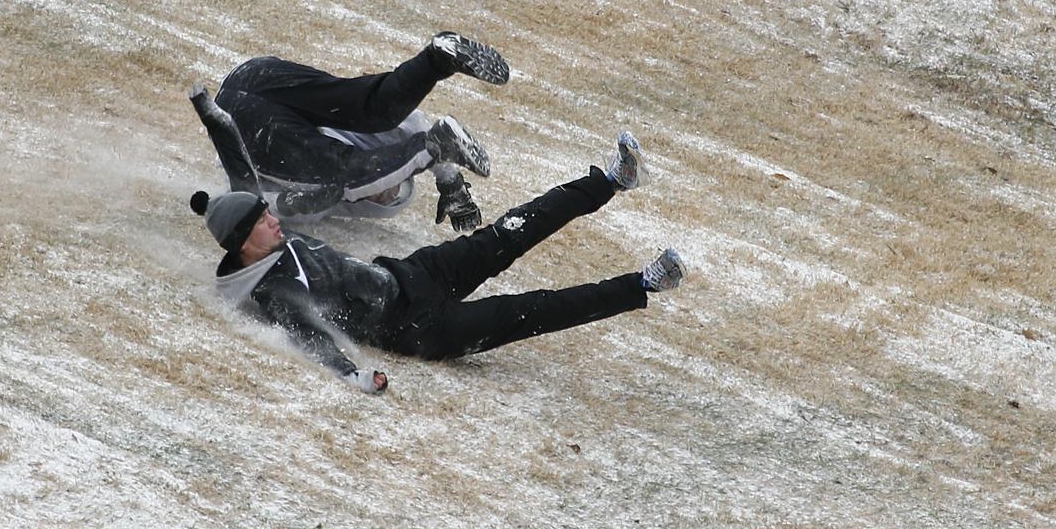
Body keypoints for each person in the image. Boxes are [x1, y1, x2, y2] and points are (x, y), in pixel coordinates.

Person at [190, 131, 687, 394]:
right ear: (241, 244)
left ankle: (612, 180)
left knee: (514, 228)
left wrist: (208, 110)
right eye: (260, 222)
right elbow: (310, 338)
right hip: (420, 329)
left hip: (413, 272)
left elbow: (241, 175)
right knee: (537, 309)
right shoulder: (273, 293)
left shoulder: (272, 240)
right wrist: (357, 377)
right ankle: (644, 283)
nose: (273, 221)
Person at [189, 31, 510, 232]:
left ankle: (435, 62)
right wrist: (451, 184)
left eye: (383, 193)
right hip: (256, 94)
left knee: (363, 117)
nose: (381, 186)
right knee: (365, 121)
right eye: (387, 185)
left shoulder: (316, 177)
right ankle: (436, 76)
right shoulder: (333, 163)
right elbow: (414, 125)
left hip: (252, 84)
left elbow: (255, 202)